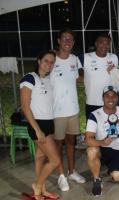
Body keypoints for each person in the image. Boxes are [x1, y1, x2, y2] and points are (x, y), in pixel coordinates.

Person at [20, 50, 60, 200]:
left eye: (52, 62)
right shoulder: (30, 78)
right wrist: (37, 130)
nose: (49, 64)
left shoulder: (49, 80)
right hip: (37, 125)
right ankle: (37, 185)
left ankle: (41, 189)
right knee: (55, 160)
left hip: (49, 123)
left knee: (40, 158)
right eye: (46, 61)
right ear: (38, 61)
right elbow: (25, 106)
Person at [50, 28, 86, 192]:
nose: (67, 41)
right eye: (64, 38)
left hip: (73, 109)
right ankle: (61, 175)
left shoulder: (74, 59)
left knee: (71, 142)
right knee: (58, 144)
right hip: (56, 111)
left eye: (70, 39)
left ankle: (72, 172)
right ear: (58, 40)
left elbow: (79, 78)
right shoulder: (51, 58)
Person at [85, 86, 119, 196]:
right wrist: (102, 142)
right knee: (91, 151)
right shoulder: (94, 114)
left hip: (117, 151)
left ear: (117, 98)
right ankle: (97, 180)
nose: (110, 98)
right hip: (101, 148)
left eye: (113, 95)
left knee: (118, 177)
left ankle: (110, 168)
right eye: (107, 96)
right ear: (102, 98)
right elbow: (88, 140)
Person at [80, 34, 119, 119]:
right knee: (92, 130)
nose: (104, 46)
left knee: (110, 130)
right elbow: (69, 60)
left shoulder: (115, 58)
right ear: (96, 44)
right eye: (101, 43)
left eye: (107, 43)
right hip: (92, 103)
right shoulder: (85, 57)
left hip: (110, 103)